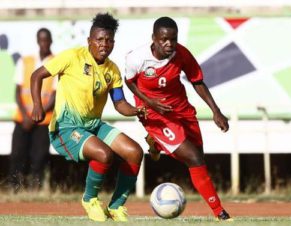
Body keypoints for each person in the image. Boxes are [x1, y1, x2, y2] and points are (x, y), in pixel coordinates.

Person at [30, 13, 145, 222]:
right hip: (65, 129)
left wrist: (137, 110)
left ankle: (116, 206)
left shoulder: (112, 70)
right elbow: (36, 75)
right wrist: (37, 105)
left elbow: (120, 103)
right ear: (89, 41)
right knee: (104, 154)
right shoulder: (72, 57)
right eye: (99, 40)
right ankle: (89, 199)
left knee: (135, 152)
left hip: (93, 126)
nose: (104, 44)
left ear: (113, 43)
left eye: (109, 40)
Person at [125, 16, 233, 221]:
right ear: (154, 39)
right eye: (164, 39)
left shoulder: (181, 54)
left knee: (199, 158)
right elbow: (130, 83)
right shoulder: (137, 58)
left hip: (182, 110)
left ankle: (156, 143)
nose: (169, 44)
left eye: (173, 39)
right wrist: (150, 102)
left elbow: (197, 81)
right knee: (194, 157)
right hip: (155, 113)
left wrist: (215, 111)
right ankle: (220, 213)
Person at [8, 28, 56, 192]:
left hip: (43, 121)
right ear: (37, 41)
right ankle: (15, 189)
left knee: (39, 157)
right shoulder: (26, 61)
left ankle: (35, 190)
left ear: (50, 41)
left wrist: (39, 113)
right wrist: (26, 115)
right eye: (41, 40)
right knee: (17, 155)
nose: (44, 43)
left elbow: (54, 96)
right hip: (23, 119)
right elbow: (17, 92)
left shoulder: (56, 63)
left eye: (46, 40)